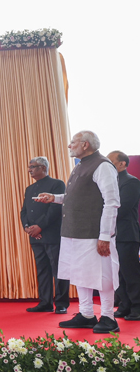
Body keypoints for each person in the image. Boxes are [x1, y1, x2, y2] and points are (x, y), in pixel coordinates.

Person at [35, 130, 120, 333]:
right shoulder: (81, 165)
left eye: (73, 142)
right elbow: (78, 198)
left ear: (85, 145)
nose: (69, 145)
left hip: (94, 234)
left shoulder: (102, 166)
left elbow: (112, 203)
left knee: (103, 275)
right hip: (74, 232)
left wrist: (105, 236)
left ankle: (108, 317)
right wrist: (54, 198)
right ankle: (86, 314)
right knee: (80, 274)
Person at [20, 156, 70, 314]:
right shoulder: (29, 189)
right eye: (29, 167)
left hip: (52, 234)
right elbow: (24, 211)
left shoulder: (57, 184)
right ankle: (45, 302)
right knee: (42, 270)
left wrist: (40, 227)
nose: (30, 170)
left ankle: (61, 304)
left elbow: (56, 209)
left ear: (43, 168)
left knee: (58, 270)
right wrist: (28, 227)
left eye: (33, 167)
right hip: (35, 236)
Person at [107, 151, 140, 321]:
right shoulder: (108, 182)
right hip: (111, 235)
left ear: (122, 164)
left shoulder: (131, 182)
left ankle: (137, 307)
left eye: (111, 161)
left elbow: (123, 208)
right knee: (117, 273)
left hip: (127, 234)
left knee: (130, 273)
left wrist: (103, 215)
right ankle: (124, 305)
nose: (108, 164)